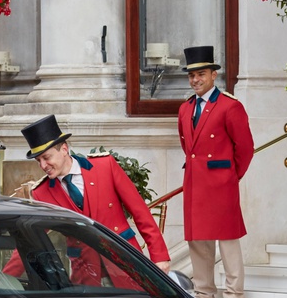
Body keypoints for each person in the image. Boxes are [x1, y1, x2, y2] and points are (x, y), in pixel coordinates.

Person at [16, 115, 171, 274]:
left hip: (125, 263)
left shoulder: (105, 166)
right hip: (86, 276)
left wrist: (159, 256)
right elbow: (31, 239)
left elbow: (140, 212)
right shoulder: (42, 192)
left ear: (64, 149)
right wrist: (2, 277)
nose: (43, 165)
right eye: (38, 160)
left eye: (46, 157)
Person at [177, 46, 254, 298]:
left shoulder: (230, 107)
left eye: (201, 74)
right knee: (198, 242)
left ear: (213, 75)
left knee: (228, 240)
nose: (195, 80)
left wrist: (231, 177)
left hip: (221, 184)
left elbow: (245, 148)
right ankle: (204, 295)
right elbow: (188, 147)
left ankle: (234, 296)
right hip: (195, 184)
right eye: (191, 76)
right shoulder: (185, 109)